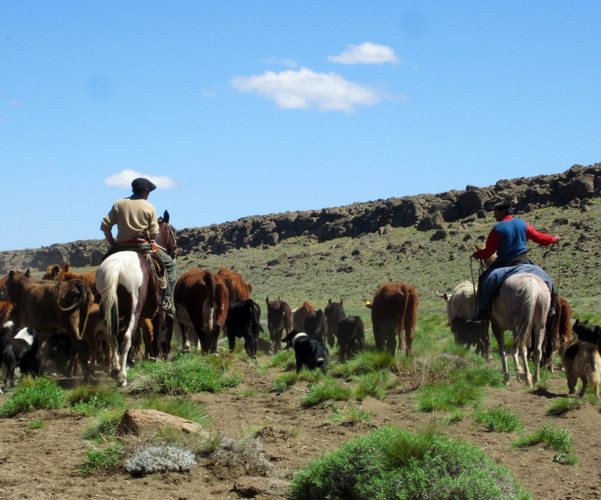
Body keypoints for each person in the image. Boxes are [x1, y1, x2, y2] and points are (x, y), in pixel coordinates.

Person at [469, 200, 560, 322]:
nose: (494, 215)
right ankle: (551, 308)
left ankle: (483, 311)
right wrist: (554, 239)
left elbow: (489, 252)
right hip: (523, 261)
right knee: (546, 278)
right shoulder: (522, 224)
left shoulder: (497, 228)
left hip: (504, 264)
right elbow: (540, 238)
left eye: (496, 212)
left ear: (502, 211)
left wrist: (477, 254)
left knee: (484, 279)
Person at [100, 177, 177, 311]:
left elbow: (105, 226)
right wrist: (151, 240)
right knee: (170, 265)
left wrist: (113, 243)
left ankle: (99, 297)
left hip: (121, 247)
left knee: (103, 265)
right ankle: (167, 299)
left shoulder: (118, 204)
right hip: (142, 247)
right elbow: (154, 232)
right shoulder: (149, 206)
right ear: (145, 192)